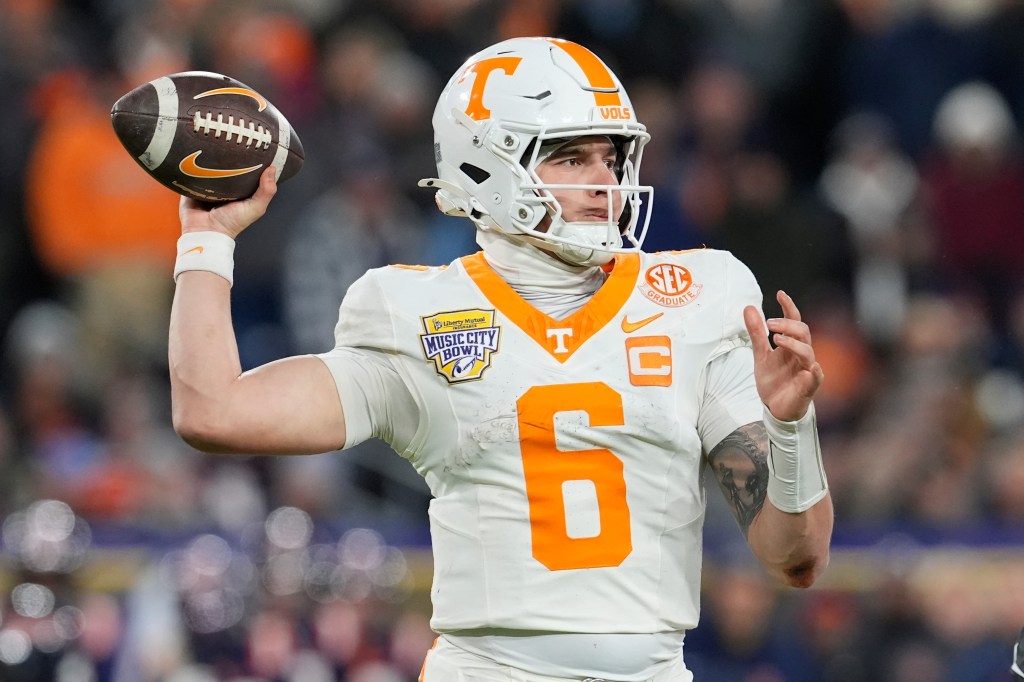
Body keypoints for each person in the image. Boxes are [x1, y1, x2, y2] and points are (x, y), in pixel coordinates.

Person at [168, 37, 833, 682]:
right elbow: (215, 411)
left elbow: (794, 560)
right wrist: (206, 243)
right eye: (571, 159)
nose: (605, 181)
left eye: (613, 157)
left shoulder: (697, 296)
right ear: (485, 167)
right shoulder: (412, 312)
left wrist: (791, 428)